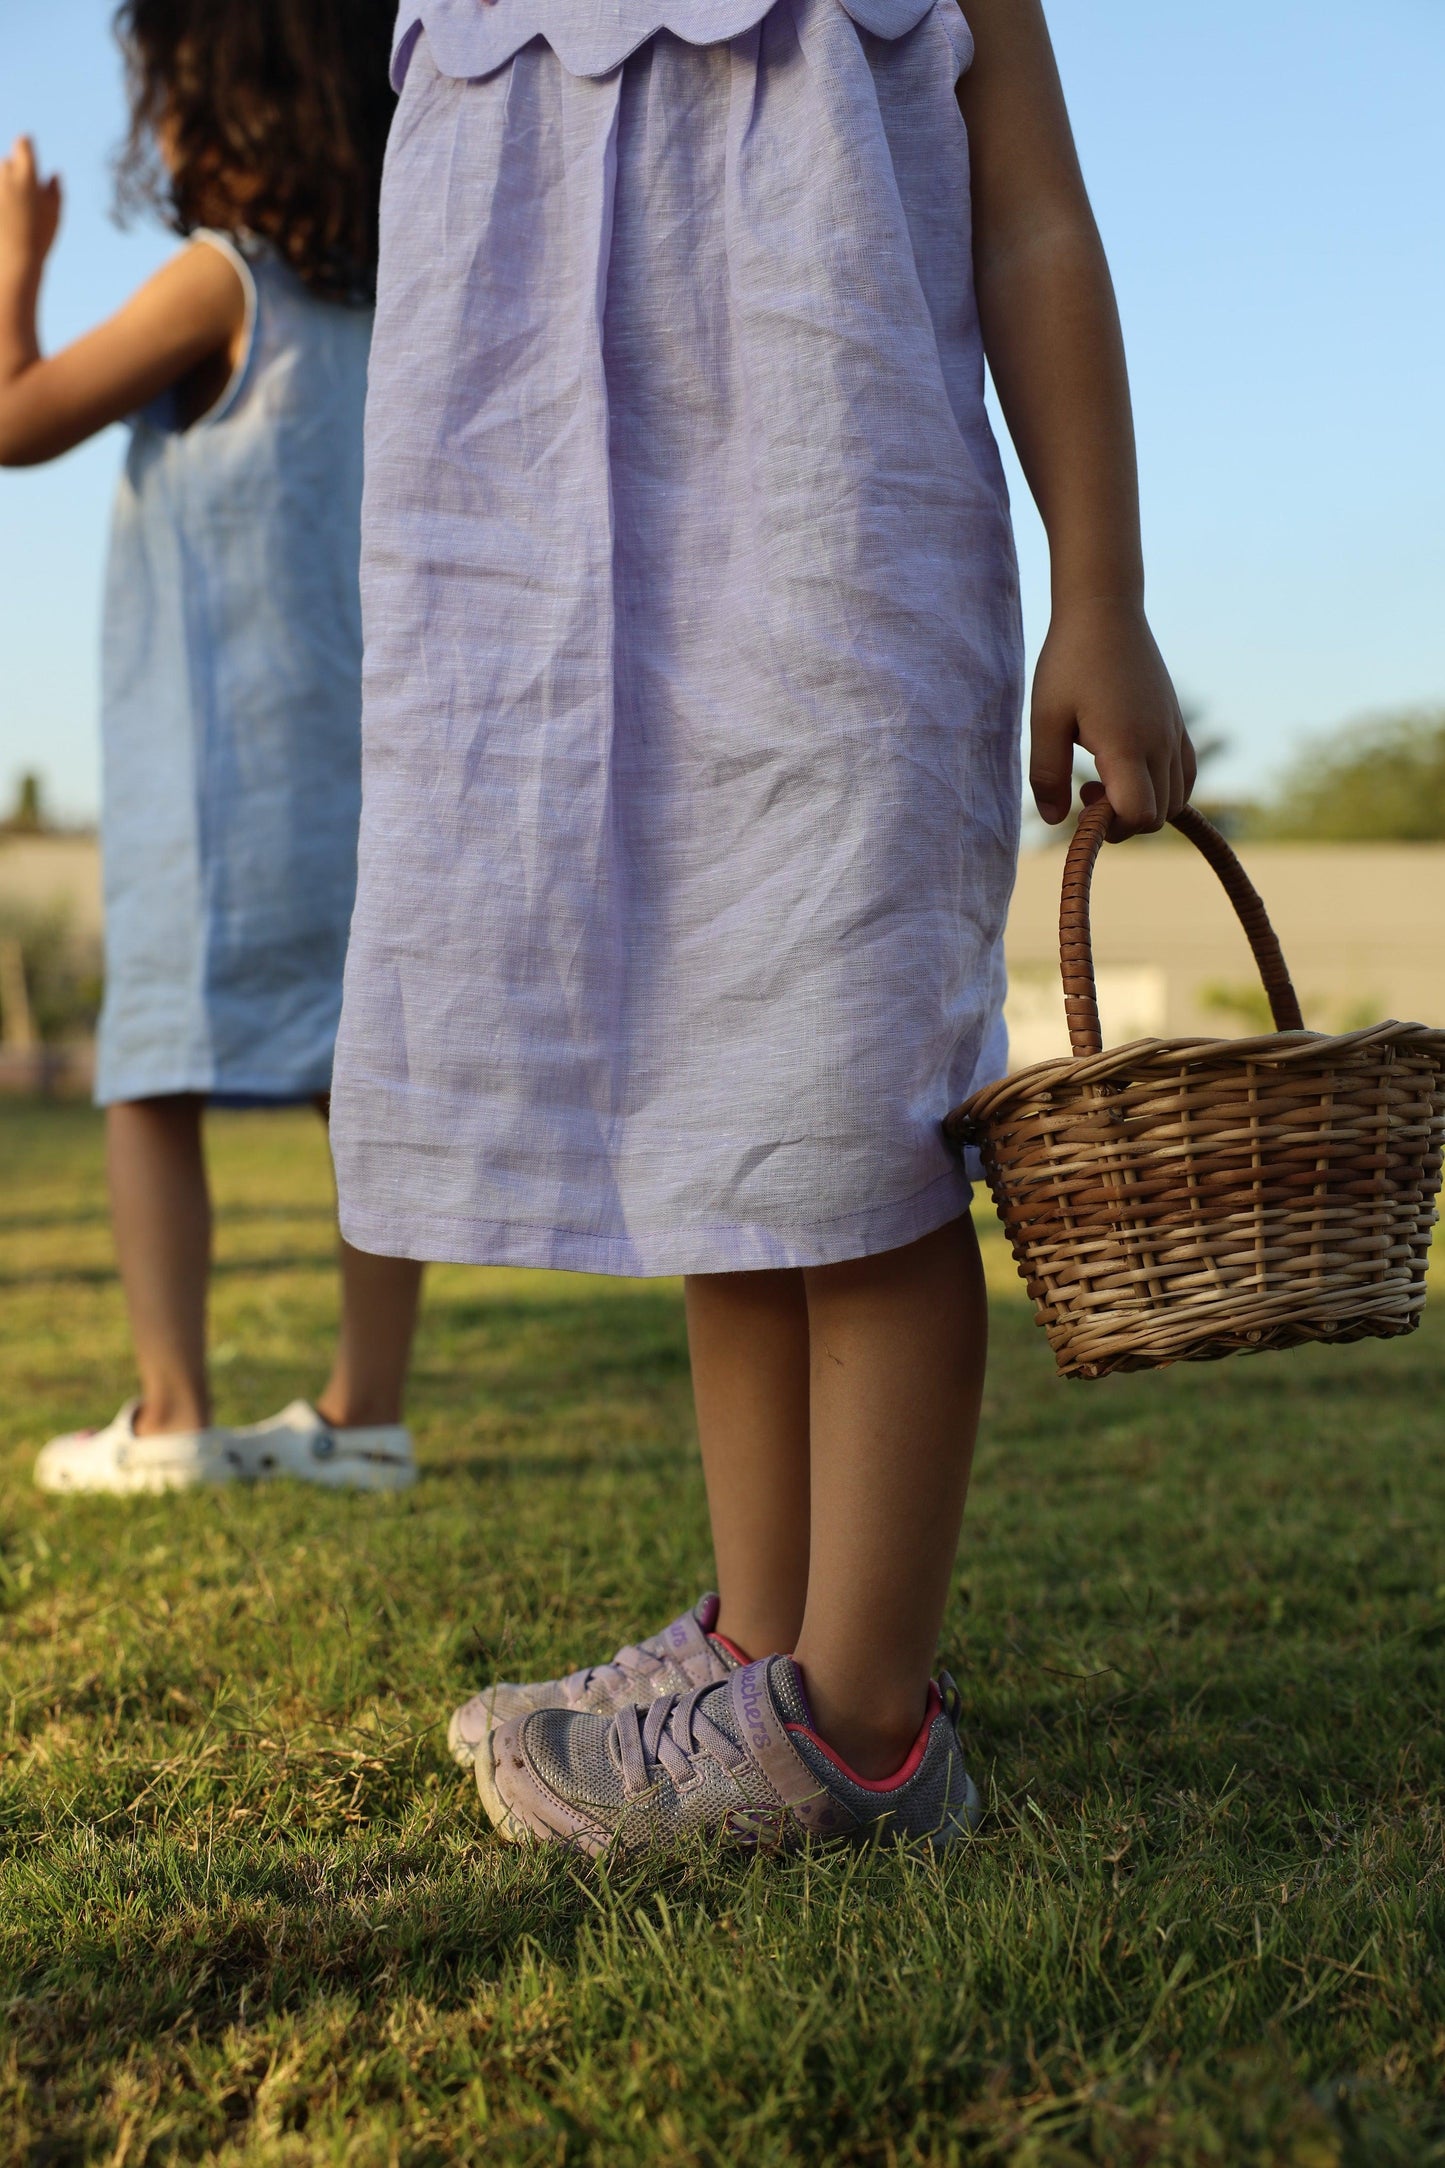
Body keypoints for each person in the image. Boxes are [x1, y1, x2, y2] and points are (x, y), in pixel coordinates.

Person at [333, 0, 1195, 1850]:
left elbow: (1035, 219)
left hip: (830, 566)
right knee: (722, 1130)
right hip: (566, 608)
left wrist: (1098, 590)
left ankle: (866, 1730)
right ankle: (768, 1642)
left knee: (842, 1116)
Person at [0, 0, 424, 1496]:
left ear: (215, 104)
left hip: (216, 773)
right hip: (369, 770)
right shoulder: (396, 300)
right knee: (363, 1088)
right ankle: (365, 1412)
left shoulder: (213, 283)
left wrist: (17, 271)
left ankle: (172, 1413)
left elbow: (13, 421)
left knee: (150, 1078)